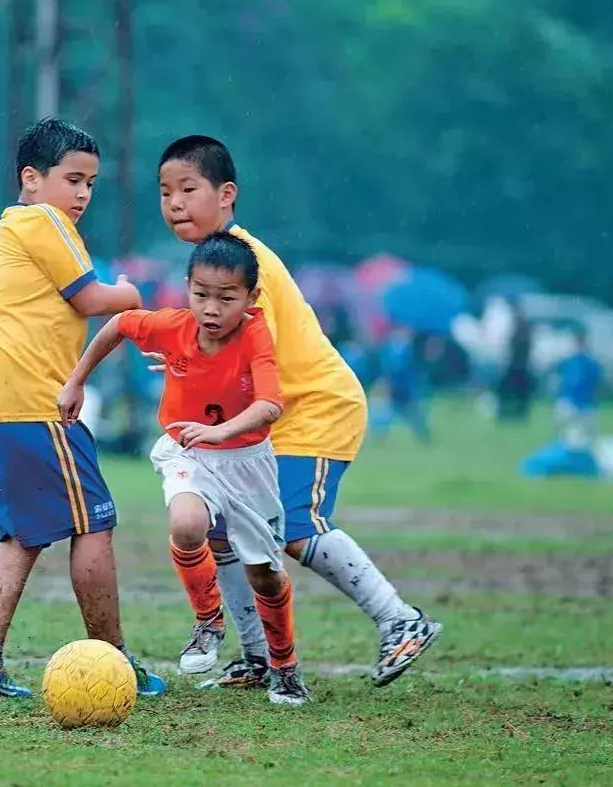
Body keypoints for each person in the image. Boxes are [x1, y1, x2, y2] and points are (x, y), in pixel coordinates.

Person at [155, 135, 441, 688]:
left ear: (227, 194)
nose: (175, 203)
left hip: (314, 406)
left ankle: (401, 620)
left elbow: (249, 354)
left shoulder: (246, 264)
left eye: (188, 189)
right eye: (165, 192)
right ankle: (258, 658)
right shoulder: (216, 263)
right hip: (267, 418)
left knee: (292, 527)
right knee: (221, 529)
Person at [0, 117, 165, 699]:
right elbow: (92, 298)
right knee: (94, 520)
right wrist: (132, 293)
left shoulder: (10, 228)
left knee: (21, 533)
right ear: (31, 178)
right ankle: (115, 661)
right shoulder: (44, 221)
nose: (83, 194)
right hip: (30, 405)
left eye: (91, 183)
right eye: (73, 179)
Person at [60, 232, 309, 705]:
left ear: (251, 298)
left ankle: (285, 665)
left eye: (226, 298)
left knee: (264, 574)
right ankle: (208, 620)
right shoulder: (173, 325)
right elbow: (118, 324)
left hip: (247, 463)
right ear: (187, 288)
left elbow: (271, 405)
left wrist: (220, 432)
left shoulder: (256, 334)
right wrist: (77, 382)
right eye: (201, 295)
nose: (211, 309)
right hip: (186, 451)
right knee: (188, 524)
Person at [371, 325, 430, 443]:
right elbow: (388, 370)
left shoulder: (406, 350)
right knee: (385, 415)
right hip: (395, 391)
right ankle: (379, 438)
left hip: (405, 391)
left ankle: (424, 437)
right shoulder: (392, 349)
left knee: (414, 416)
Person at [553, 326, 603, 449]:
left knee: (588, 431)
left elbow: (596, 381)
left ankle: (586, 451)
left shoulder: (590, 360)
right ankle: (562, 449)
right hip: (568, 398)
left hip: (585, 401)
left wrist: (594, 398)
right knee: (562, 426)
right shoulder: (569, 358)